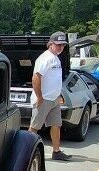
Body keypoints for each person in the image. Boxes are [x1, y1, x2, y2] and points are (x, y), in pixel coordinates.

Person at [30, 31, 71, 161]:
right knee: (35, 127)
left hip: (54, 99)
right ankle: (27, 152)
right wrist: (39, 97)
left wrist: (57, 96)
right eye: (58, 45)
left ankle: (56, 151)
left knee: (56, 124)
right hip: (44, 99)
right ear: (51, 44)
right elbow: (36, 77)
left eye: (63, 45)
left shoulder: (56, 58)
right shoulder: (45, 58)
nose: (60, 47)